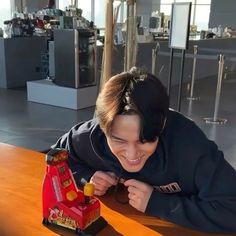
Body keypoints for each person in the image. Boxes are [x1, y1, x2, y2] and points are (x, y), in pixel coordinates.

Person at [52, 67, 236, 233]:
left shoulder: (190, 145)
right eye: (118, 140)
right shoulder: (90, 136)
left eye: (145, 140)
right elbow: (54, 159)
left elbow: (230, 208)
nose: (132, 155)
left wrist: (157, 203)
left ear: (162, 125)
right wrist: (87, 177)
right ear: (103, 129)